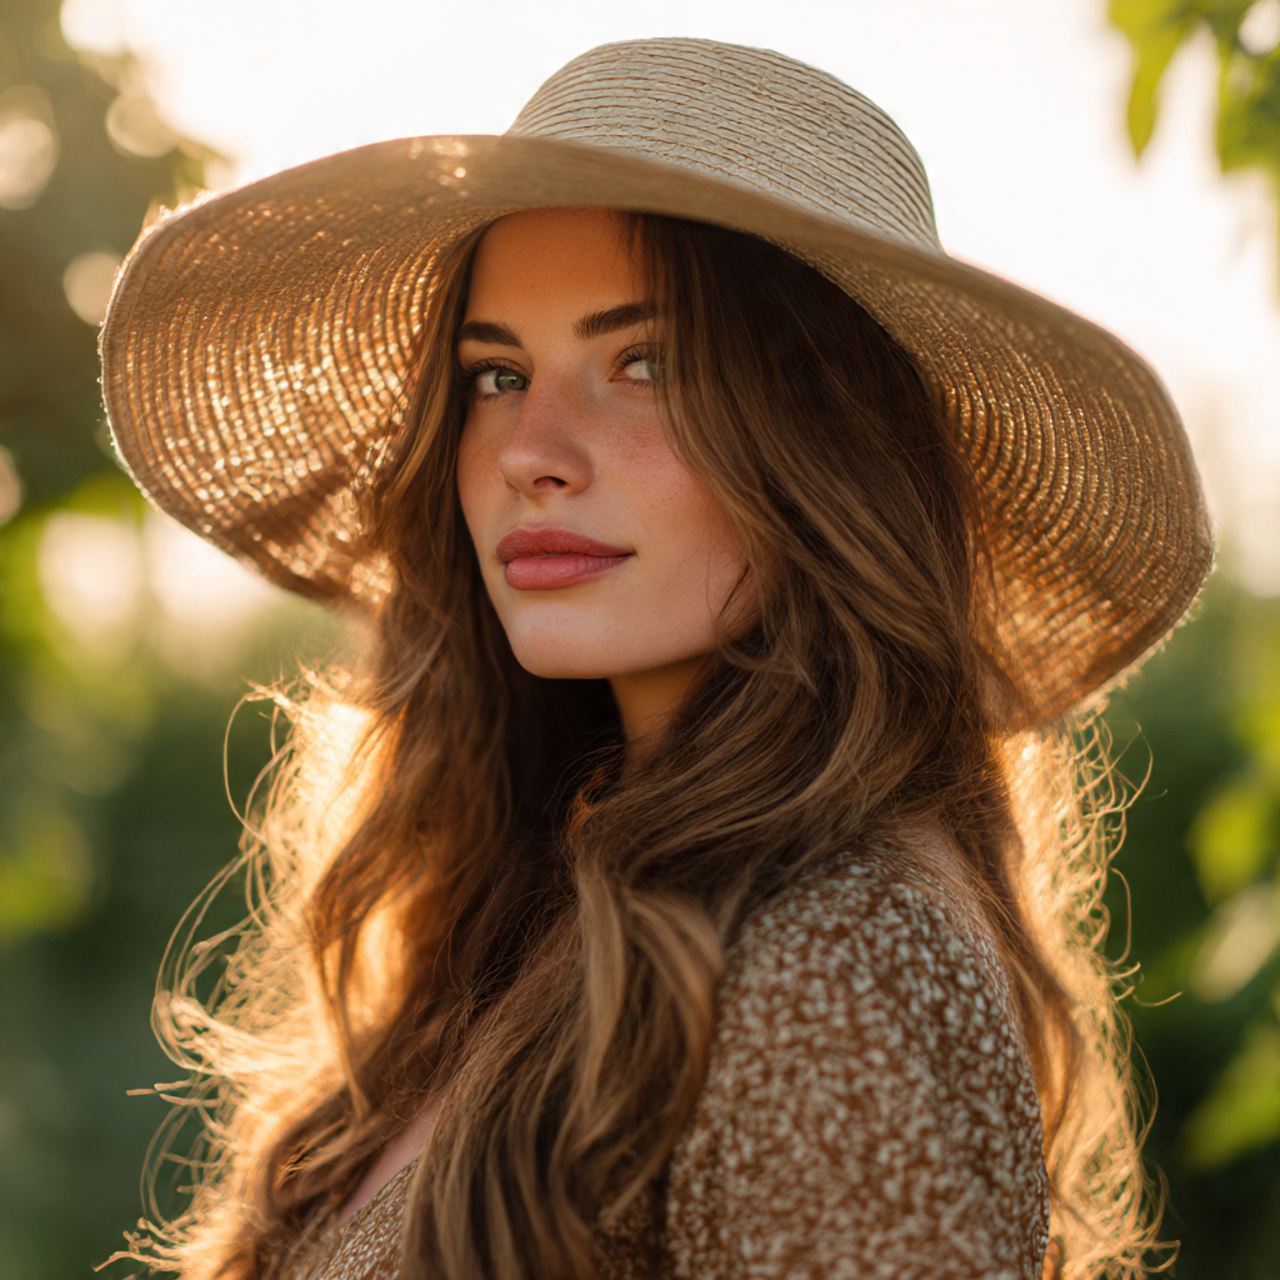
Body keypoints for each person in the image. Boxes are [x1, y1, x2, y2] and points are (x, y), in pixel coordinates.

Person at [100, 37, 1211, 1280]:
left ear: (830, 435)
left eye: (644, 361)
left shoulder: (835, 955)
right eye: (495, 373)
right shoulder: (534, 923)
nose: (531, 449)